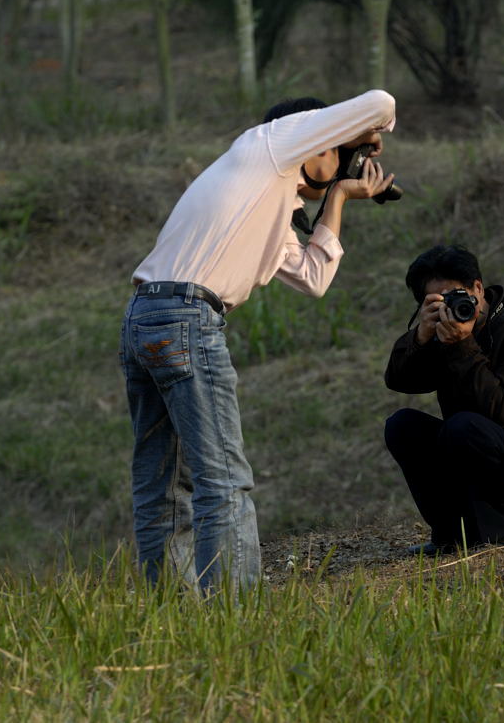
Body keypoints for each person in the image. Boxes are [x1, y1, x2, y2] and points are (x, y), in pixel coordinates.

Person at [120, 90, 397, 593]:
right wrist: (367, 132)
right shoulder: (272, 145)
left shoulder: (271, 204)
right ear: (316, 139)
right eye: (339, 154)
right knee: (222, 480)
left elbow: (314, 277)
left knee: (162, 483)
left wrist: (337, 198)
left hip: (145, 315)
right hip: (186, 318)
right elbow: (381, 100)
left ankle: (170, 610)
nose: (341, 167)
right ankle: (234, 614)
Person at [384, 245, 504, 555]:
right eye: (440, 302)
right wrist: (420, 338)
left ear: (478, 287)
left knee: (464, 427)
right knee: (402, 425)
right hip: (479, 456)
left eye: (457, 296)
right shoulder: (442, 332)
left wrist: (463, 346)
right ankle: (452, 535)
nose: (452, 308)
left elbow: (499, 406)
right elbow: (400, 381)